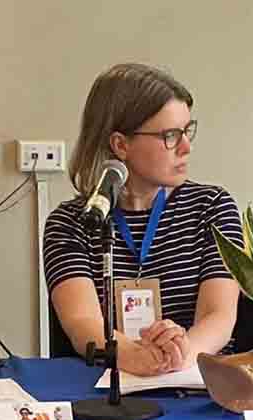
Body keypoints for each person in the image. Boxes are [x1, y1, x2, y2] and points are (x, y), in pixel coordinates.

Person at [44, 63, 242, 376]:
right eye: (170, 136)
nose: (186, 148)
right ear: (120, 145)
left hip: (195, 383)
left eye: (187, 131)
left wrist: (179, 352)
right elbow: (84, 324)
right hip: (112, 391)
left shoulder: (213, 207)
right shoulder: (72, 223)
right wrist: (137, 356)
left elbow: (219, 316)